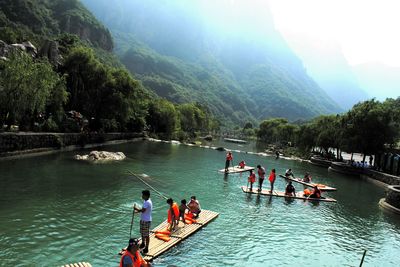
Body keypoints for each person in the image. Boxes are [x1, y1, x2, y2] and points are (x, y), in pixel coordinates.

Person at [134, 190, 152, 254]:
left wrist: (136, 209)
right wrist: (138, 211)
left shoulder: (147, 202)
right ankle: (143, 243)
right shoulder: (145, 201)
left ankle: (146, 247)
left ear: (146, 195)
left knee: (146, 234)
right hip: (143, 219)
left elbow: (143, 210)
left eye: (143, 195)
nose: (142, 196)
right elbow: (143, 210)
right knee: (142, 232)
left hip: (146, 220)